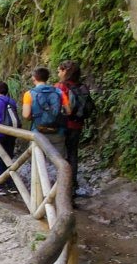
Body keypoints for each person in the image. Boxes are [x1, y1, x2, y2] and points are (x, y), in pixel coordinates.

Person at [57, 60, 91, 195]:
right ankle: (72, 186)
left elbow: (57, 106)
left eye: (59, 70)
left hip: (63, 124)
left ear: (65, 71)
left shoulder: (61, 87)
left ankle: (61, 188)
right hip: (77, 124)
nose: (58, 73)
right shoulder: (82, 86)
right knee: (73, 155)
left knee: (60, 156)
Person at [22, 66, 69, 154]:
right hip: (57, 131)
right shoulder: (59, 92)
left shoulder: (29, 94)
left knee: (38, 162)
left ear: (34, 78)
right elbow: (68, 111)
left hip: (38, 131)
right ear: (47, 78)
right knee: (59, 162)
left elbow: (26, 115)